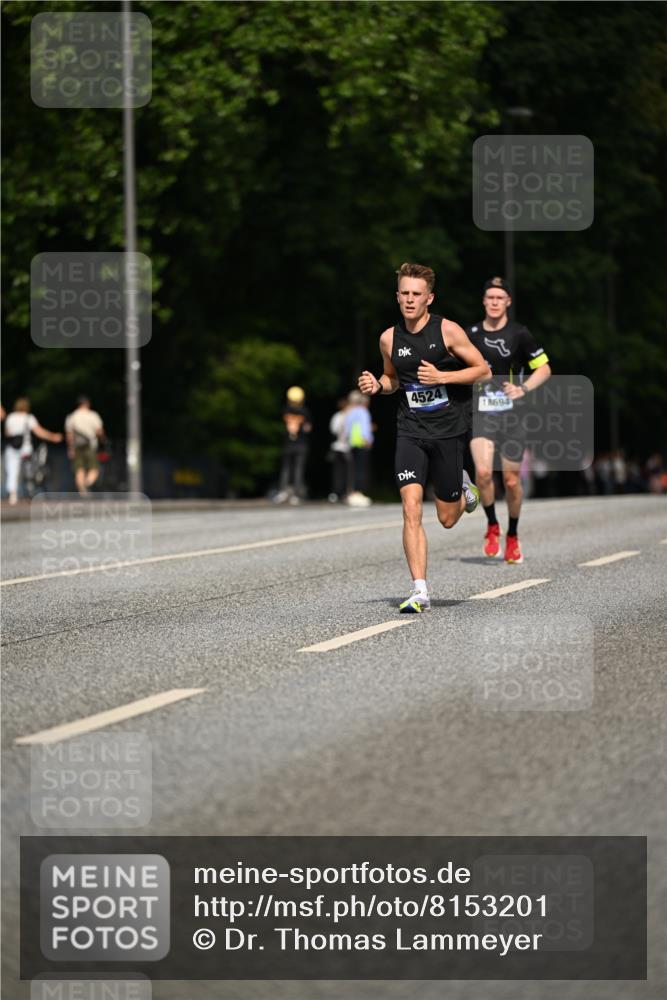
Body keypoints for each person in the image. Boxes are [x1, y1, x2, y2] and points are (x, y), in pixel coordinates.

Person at [358, 262, 489, 613]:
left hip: (448, 431)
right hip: (410, 431)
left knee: (447, 519)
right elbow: (393, 379)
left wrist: (443, 378)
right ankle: (420, 590)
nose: (410, 300)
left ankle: (463, 489)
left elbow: (483, 370)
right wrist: (378, 385)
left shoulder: (447, 331)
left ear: (429, 298)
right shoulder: (389, 338)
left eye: (417, 294)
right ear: (397, 296)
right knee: (411, 508)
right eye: (405, 293)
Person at [466, 277, 551, 564]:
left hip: (513, 417)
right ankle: (492, 524)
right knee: (484, 473)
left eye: (499, 298)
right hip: (482, 413)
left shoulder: (520, 333)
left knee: (512, 481)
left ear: (508, 302)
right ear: (483, 301)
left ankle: (512, 534)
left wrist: (523, 388)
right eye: (489, 297)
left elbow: (544, 368)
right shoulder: (471, 334)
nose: (493, 302)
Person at [3, 397, 63, 505]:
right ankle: (30, 491)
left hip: (12, 448)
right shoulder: (29, 418)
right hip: (25, 448)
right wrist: (53, 436)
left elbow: (7, 433)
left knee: (12, 471)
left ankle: (13, 495)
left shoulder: (10, 417)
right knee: (29, 470)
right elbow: (39, 431)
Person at [274, 386, 311, 505]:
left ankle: (288, 492)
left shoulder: (286, 410)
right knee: (295, 468)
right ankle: (292, 493)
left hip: (292, 443)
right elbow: (308, 428)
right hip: (298, 443)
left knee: (289, 468)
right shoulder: (304, 412)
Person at [65, 395, 106, 496]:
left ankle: (82, 490)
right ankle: (87, 483)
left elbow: (69, 435)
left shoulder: (72, 417)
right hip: (90, 445)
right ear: (87, 403)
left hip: (76, 446)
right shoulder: (93, 415)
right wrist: (102, 440)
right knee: (94, 468)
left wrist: (70, 448)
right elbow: (99, 431)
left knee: (79, 469)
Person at [344, 390, 373, 507]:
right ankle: (358, 492)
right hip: (361, 443)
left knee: (353, 468)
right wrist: (368, 440)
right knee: (361, 469)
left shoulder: (350, 412)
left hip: (352, 443)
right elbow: (365, 427)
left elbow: (346, 429)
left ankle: (352, 492)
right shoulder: (363, 411)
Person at [328, 397, 351, 503]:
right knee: (338, 472)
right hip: (339, 447)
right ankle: (337, 492)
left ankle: (344, 493)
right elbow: (334, 430)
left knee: (347, 472)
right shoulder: (338, 417)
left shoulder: (349, 416)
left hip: (347, 447)